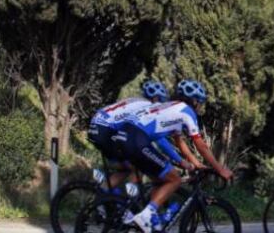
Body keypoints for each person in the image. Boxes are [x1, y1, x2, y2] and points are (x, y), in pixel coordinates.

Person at [112, 80, 233, 232]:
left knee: (161, 180)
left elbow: (179, 142)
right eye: (200, 103)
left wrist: (197, 164)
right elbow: (200, 144)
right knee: (174, 178)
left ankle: (148, 219)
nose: (200, 106)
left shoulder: (172, 107)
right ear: (194, 101)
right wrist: (220, 169)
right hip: (136, 140)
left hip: (126, 137)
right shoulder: (187, 112)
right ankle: (145, 217)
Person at [88, 80, 202, 192]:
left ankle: (105, 197)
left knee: (127, 166)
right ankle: (125, 200)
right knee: (138, 165)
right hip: (106, 130)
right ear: (156, 98)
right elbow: (161, 141)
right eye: (162, 100)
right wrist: (180, 160)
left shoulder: (135, 100)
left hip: (97, 127)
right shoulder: (148, 107)